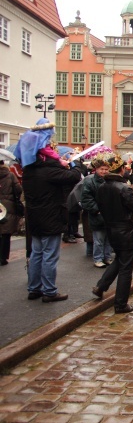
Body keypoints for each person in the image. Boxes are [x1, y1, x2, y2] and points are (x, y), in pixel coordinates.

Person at [19, 120, 85, 302]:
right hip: (51, 217)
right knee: (49, 255)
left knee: (36, 253)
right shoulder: (49, 170)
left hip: (35, 216)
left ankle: (34, 288)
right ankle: (49, 291)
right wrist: (76, 162)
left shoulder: (29, 170)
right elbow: (73, 176)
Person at [91, 154, 133, 313]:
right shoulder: (124, 188)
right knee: (126, 269)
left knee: (119, 260)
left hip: (111, 229)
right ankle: (121, 304)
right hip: (126, 231)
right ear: (121, 170)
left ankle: (101, 286)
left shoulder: (102, 187)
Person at [81, 156, 113, 268]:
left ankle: (107, 257)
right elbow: (86, 199)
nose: (104, 171)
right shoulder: (90, 181)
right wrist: (97, 210)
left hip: (109, 214)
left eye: (106, 169)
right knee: (99, 239)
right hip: (97, 215)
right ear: (96, 169)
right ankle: (98, 258)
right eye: (102, 169)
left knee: (109, 239)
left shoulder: (110, 181)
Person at [0, 160, 22, 265]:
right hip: (8, 206)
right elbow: (18, 189)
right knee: (5, 233)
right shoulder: (10, 175)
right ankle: (3, 258)